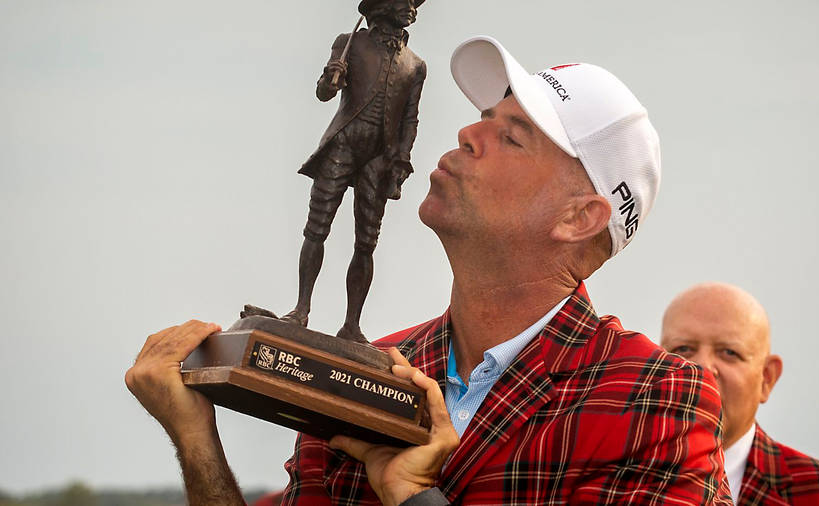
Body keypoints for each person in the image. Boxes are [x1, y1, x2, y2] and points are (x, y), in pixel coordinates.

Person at [126, 35, 732, 505]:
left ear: (580, 218)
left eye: (514, 137)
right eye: (486, 117)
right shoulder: (363, 369)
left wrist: (413, 495)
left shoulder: (658, 399)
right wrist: (197, 443)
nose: (468, 132)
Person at [242, 0, 427, 343]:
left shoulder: (416, 65)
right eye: (404, 1)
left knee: (366, 243)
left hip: (380, 157)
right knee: (317, 228)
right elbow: (323, 93)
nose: (411, 9)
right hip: (343, 144)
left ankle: (351, 324)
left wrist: (402, 158)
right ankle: (301, 309)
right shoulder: (350, 42)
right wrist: (331, 77)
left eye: (415, 4)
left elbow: (410, 118)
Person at [661, 282, 819, 505]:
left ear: (767, 378)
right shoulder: (635, 480)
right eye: (682, 349)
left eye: (729, 352)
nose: (702, 369)